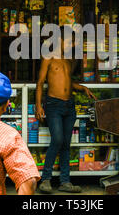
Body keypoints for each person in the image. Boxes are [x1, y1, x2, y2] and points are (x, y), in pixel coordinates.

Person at [35, 26, 97, 194]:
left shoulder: (68, 60)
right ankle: (45, 180)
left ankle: (65, 182)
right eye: (70, 41)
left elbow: (68, 83)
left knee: (66, 145)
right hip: (53, 105)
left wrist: (82, 87)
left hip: (69, 106)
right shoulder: (48, 57)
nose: (72, 44)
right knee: (57, 140)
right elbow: (40, 82)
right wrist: (38, 105)